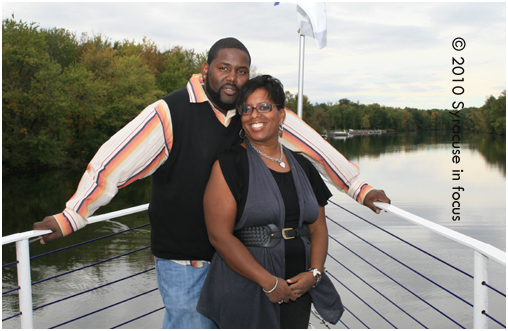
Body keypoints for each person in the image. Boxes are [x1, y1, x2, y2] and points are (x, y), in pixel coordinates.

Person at [33, 37, 389, 329]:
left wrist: (360, 188)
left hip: (239, 262)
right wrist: (71, 217)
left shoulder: (250, 113)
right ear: (206, 70)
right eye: (223, 68)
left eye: (241, 71)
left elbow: (315, 148)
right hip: (186, 262)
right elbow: (113, 163)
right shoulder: (170, 112)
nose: (232, 77)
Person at [197, 75, 343, 328]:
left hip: (298, 288)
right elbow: (219, 236)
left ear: (281, 115)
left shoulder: (303, 166)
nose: (255, 115)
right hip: (247, 285)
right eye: (247, 109)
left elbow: (318, 227)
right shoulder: (230, 164)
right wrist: (269, 282)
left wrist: (315, 273)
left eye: (264, 107)